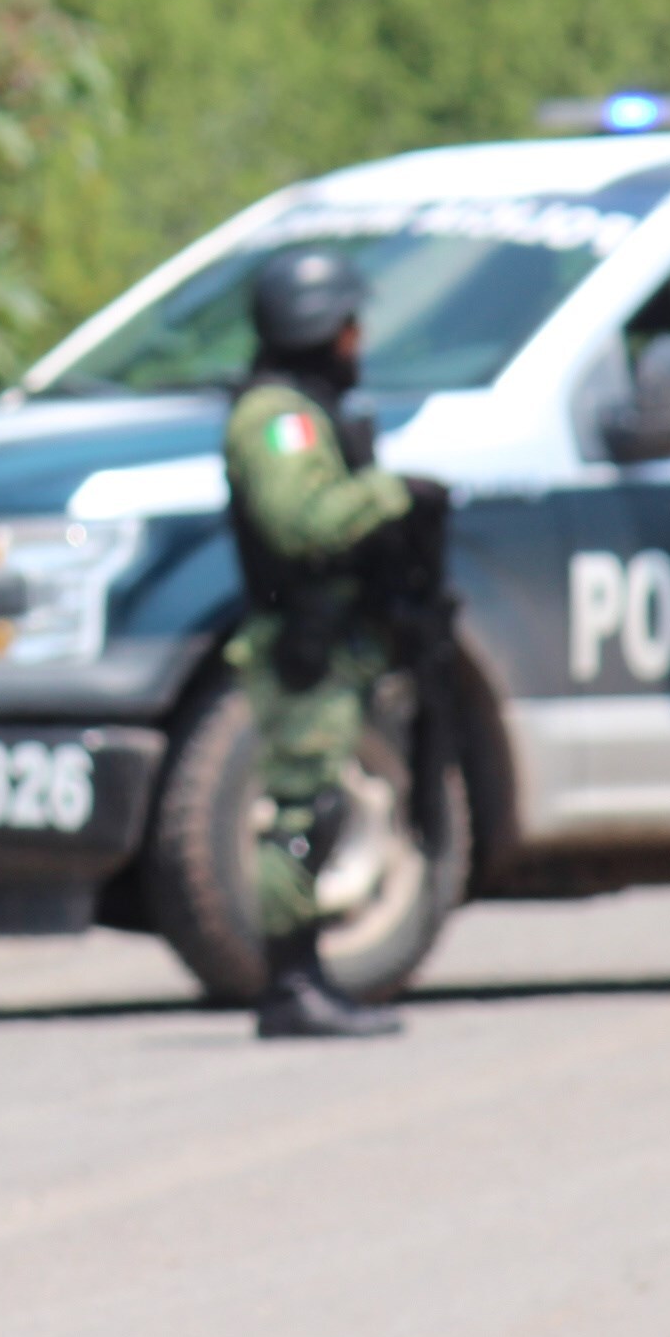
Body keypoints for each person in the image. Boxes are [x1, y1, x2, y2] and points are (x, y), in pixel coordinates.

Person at [223, 248, 444, 1042]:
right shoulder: (277, 417)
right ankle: (289, 984)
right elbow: (302, 522)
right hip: (301, 645)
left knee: (318, 802)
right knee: (301, 809)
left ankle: (305, 977)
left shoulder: (306, 408)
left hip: (331, 638)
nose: (358, 339)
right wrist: (391, 495)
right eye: (348, 323)